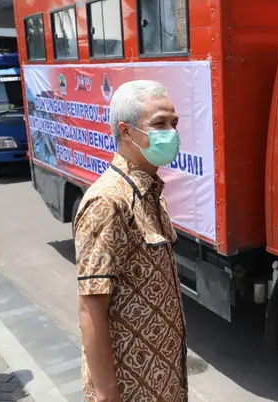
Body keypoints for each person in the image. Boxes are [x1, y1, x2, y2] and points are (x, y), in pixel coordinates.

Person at [74, 80, 187, 402]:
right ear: (125, 131)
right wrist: (107, 394)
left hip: (163, 379)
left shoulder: (150, 192)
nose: (172, 133)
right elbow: (90, 307)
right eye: (160, 124)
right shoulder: (108, 202)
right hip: (130, 388)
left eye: (174, 123)